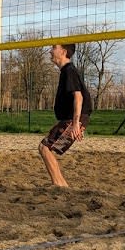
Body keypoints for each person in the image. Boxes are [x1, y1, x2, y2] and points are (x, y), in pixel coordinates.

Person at [39, 42, 93, 188]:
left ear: (63, 52)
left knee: (45, 148)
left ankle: (59, 185)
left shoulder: (69, 70)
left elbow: (79, 97)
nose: (50, 51)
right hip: (72, 119)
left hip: (73, 119)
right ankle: (60, 184)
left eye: (53, 48)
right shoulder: (67, 71)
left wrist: (76, 124)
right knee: (46, 148)